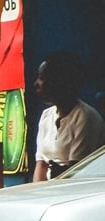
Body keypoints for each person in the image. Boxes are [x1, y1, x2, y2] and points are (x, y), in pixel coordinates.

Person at [32, 52, 104, 182]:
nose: (36, 83)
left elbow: (75, 171)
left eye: (42, 78)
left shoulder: (85, 117)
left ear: (59, 81)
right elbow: (41, 164)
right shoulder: (46, 116)